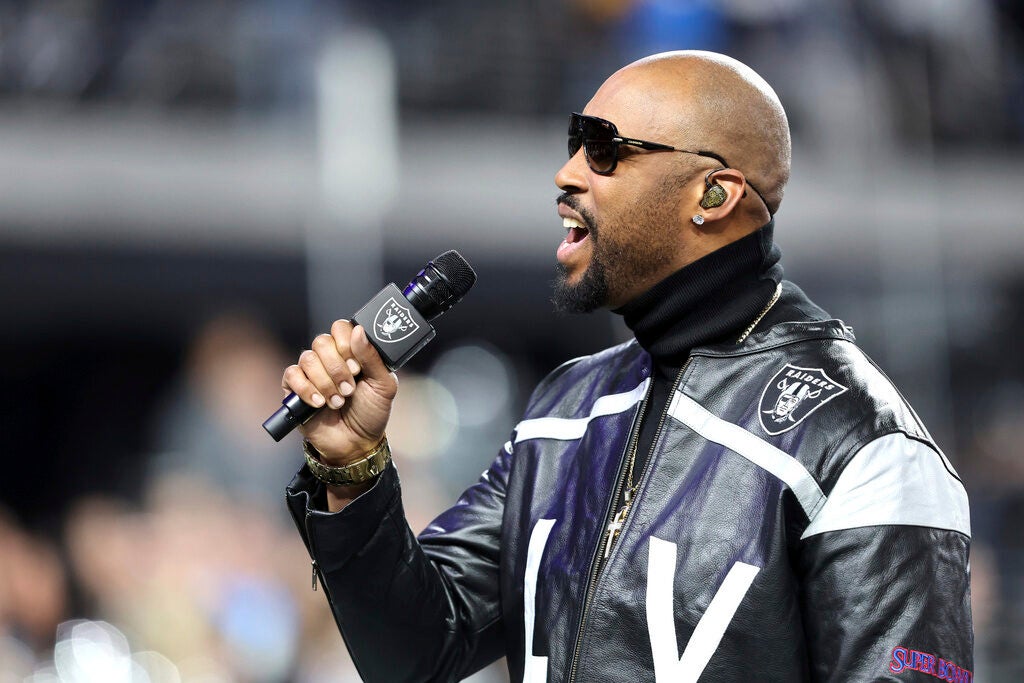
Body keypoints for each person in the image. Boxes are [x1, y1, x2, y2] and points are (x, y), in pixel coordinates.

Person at [282, 51, 973, 682]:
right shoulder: (565, 408)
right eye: (575, 143)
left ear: (714, 194)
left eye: (606, 149)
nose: (568, 172)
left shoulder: (861, 442)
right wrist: (355, 470)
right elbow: (416, 654)